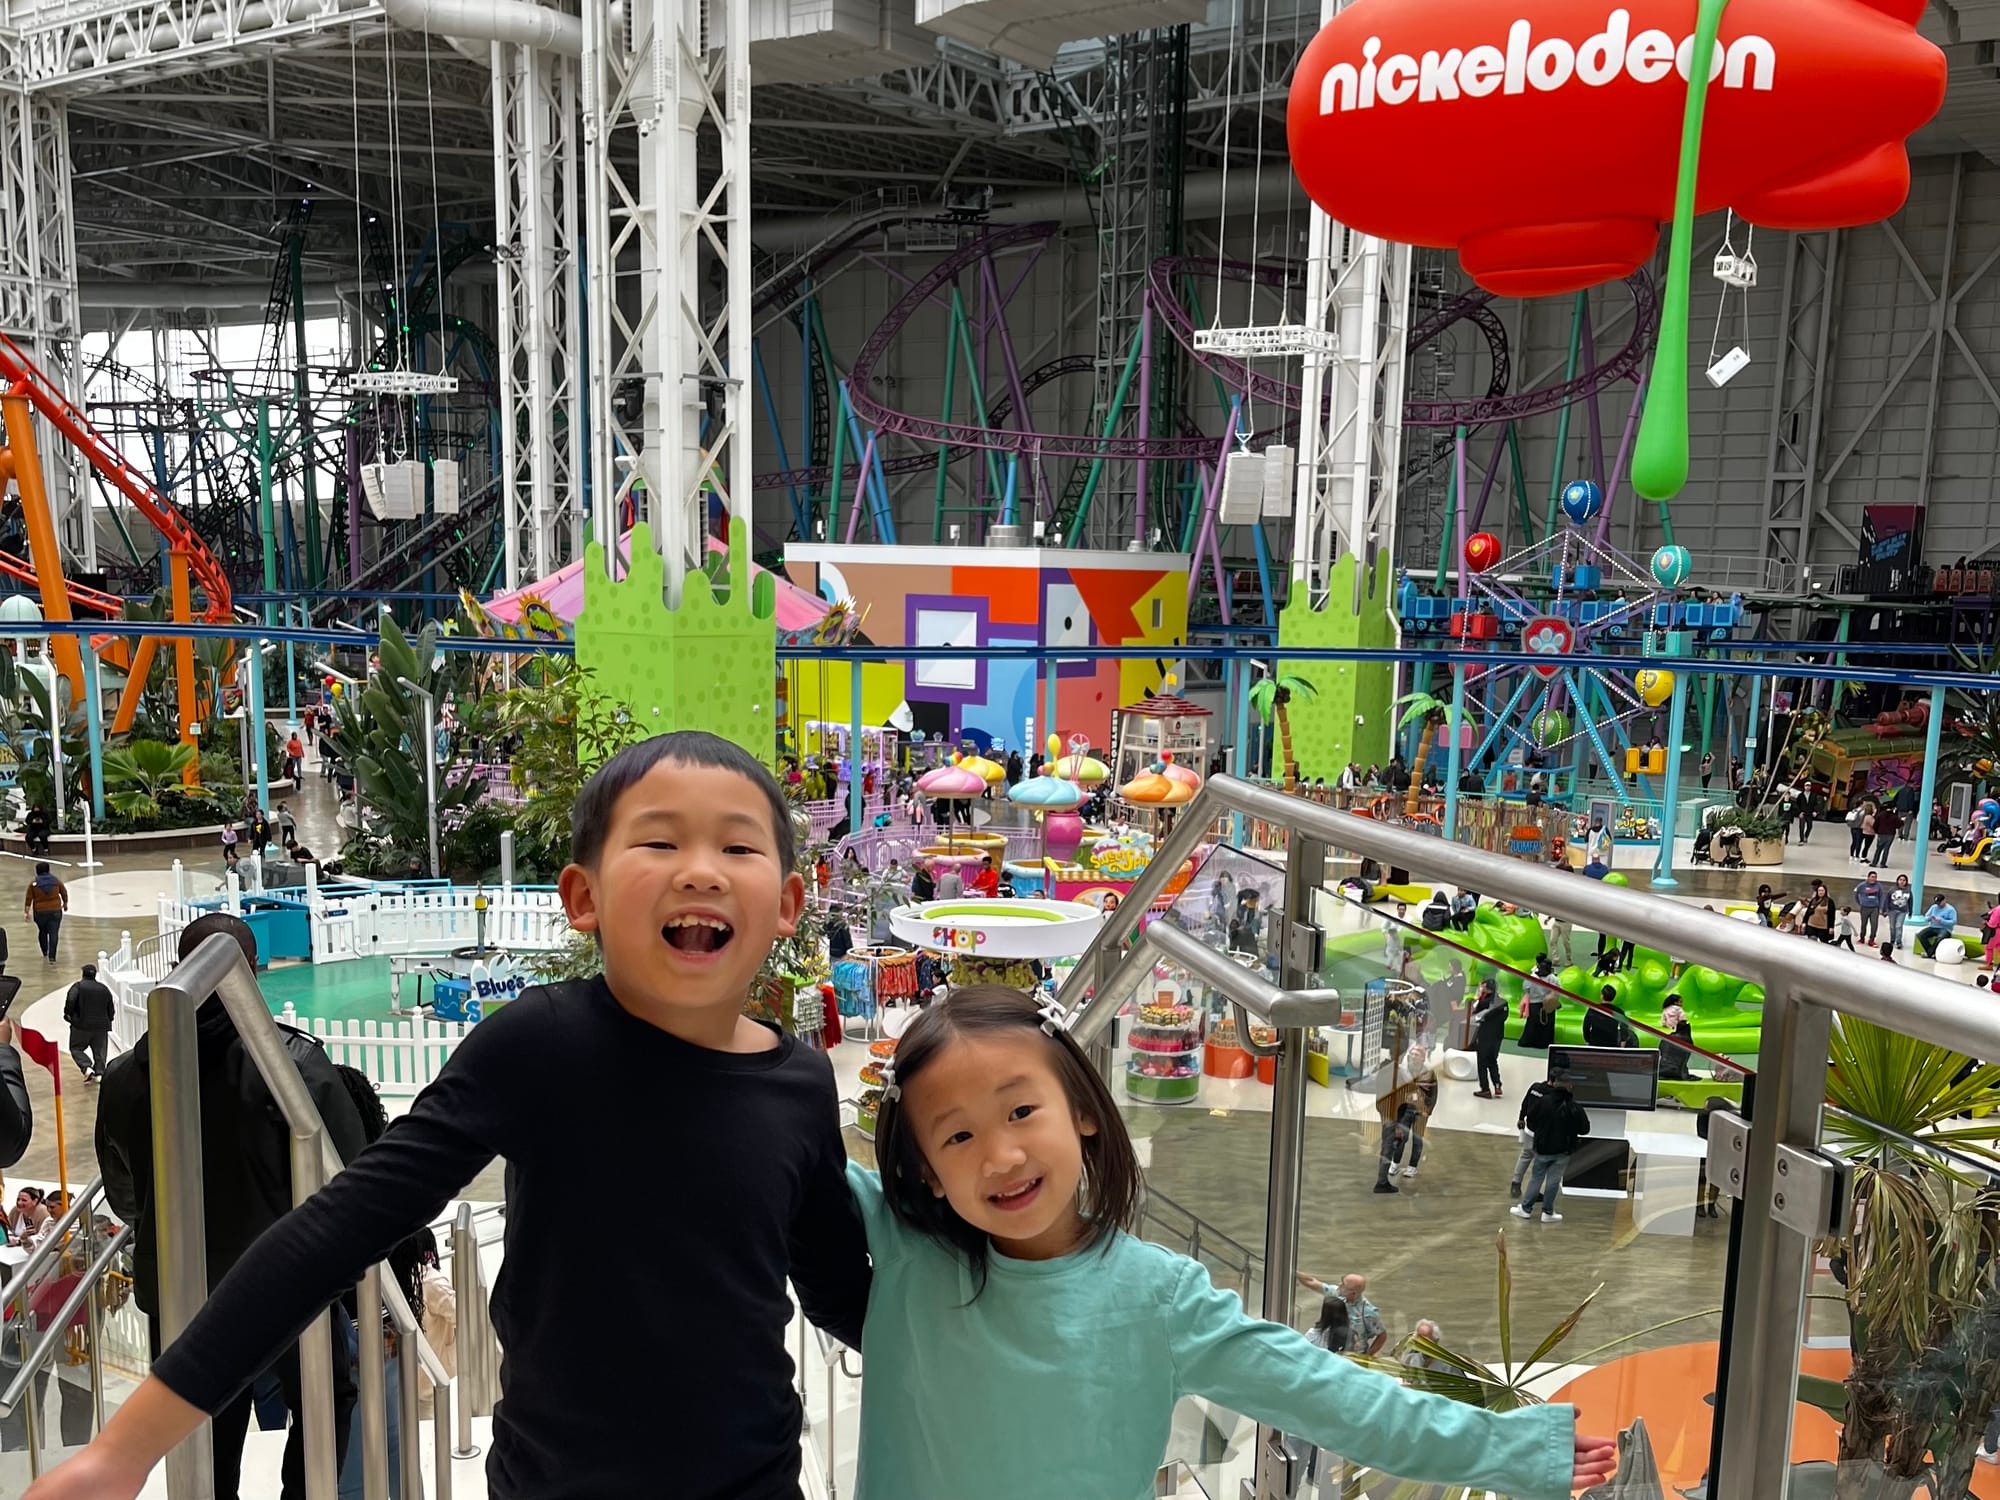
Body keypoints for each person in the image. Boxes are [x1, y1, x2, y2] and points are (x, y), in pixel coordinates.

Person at [44, 731, 873, 1500]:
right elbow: (334, 1233)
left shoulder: (797, 1085)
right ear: (582, 896)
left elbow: (846, 1294)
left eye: (737, 846)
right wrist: (128, 1447)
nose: (703, 871)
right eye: (659, 842)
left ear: (790, 902)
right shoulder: (543, 1048)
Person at [850, 984, 1620, 1500]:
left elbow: (1338, 1399)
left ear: (1082, 1108)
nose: (1003, 1156)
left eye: (1021, 1112)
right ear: (923, 1170)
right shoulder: (907, 1240)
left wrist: (1510, 1450)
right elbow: (755, 1143)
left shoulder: (1157, 1298)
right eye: (958, 1135)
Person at [91, 913, 369, 1498]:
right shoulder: (296, 1066)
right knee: (327, 1400)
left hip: (180, 1288)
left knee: (202, 1422)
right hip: (289, 1286)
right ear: (253, 975)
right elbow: (356, 1180)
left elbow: (121, 1192)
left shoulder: (124, 1077)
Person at [1513, 1076, 1591, 1225]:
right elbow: (1585, 1129)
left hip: (1543, 1148)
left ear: (1554, 1085)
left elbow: (1532, 1120)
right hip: (1563, 1151)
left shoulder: (1543, 1102)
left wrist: (1542, 1133)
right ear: (1570, 1087)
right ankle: (1547, 1212)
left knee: (1536, 1178)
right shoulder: (1575, 1107)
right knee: (1553, 1182)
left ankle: (1526, 1209)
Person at [1374, 1041, 1437, 1192]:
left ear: (1423, 1058)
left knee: (1417, 1138)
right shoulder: (1400, 1072)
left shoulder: (1428, 1073)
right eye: (1412, 1054)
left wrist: (1427, 1110)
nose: (1414, 1057)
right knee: (1401, 1137)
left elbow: (1433, 1094)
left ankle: (1412, 1166)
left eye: (1417, 1055)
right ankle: (1394, 1164)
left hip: (1420, 1110)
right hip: (1403, 1109)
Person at [1291, 1271, 1388, 1357]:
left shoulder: (1368, 1312)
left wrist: (1368, 1355)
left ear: (1353, 1293)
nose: (1339, 1285)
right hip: (1331, 1350)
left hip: (1353, 1357)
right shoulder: (1336, 1293)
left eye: (1343, 1285)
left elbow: (1382, 1335)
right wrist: (1294, 1271)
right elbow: (1312, 1282)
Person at [64, 962, 115, 1081]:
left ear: (83, 974)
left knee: (76, 1048)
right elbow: (110, 1008)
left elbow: (71, 999)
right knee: (100, 1052)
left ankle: (86, 1067)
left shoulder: (78, 986)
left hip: (81, 1025)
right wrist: (109, 1019)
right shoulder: (104, 989)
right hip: (101, 1026)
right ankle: (100, 1074)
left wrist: (69, 1014)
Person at [1470, 978, 1506, 1099]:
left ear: (1486, 988)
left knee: (1482, 1063)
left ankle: (1485, 1089)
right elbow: (1503, 1018)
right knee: (1493, 1061)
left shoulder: (1482, 1003)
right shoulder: (1503, 1003)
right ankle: (1497, 1085)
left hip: (1485, 1036)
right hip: (1498, 1036)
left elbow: (1475, 1014)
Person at [24, 863, 66, 962]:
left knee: (42, 931)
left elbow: (28, 898)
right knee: (54, 933)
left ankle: (45, 951)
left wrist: (27, 912)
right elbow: (64, 892)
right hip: (55, 911)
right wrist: (65, 903)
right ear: (48, 870)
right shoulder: (56, 881)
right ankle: (52, 957)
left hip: (40, 912)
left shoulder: (34, 884)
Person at [1519, 956, 1560, 1050]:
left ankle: (1529, 1042)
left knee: (1532, 1024)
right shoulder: (1553, 978)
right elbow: (1558, 990)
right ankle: (1544, 1043)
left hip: (1534, 1004)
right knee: (1547, 1024)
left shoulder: (1532, 977)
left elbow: (1525, 988)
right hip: (1548, 1004)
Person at [1915, 894, 1959, 959]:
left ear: (1944, 901)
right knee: (1920, 935)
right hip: (1933, 927)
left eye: (1939, 903)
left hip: (1945, 928)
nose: (1938, 905)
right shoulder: (1934, 907)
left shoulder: (1951, 910)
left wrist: (1942, 921)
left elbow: (1953, 922)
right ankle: (1932, 952)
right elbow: (1926, 916)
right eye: (1937, 903)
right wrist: (1929, 918)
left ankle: (1929, 953)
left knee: (1940, 937)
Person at [1854, 870, 1886, 948]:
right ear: (1868, 877)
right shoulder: (1862, 885)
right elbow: (1856, 894)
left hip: (1875, 908)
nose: (1873, 879)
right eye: (1872, 877)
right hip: (1864, 908)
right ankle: (1862, 937)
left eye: (1875, 877)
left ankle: (1871, 939)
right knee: (1863, 924)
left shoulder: (1878, 886)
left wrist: (1881, 907)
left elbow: (1881, 896)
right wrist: (1860, 902)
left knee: (1874, 924)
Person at [1886, 874, 1915, 951]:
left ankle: (1898, 941)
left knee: (1899, 926)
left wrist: (1910, 911)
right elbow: (1887, 899)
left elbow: (1910, 901)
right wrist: (1885, 909)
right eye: (1900, 880)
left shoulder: (1908, 891)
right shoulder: (1892, 889)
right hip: (1892, 910)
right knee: (1892, 927)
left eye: (1904, 880)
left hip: (1902, 911)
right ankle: (1892, 940)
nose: (1902, 882)